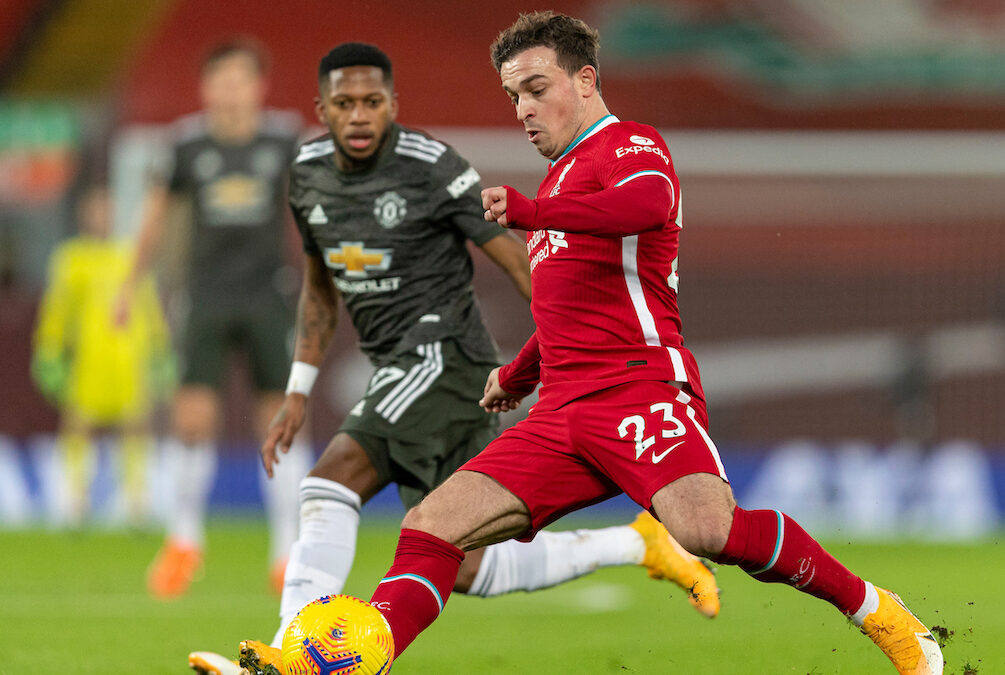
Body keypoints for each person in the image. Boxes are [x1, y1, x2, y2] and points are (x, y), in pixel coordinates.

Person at [357, 12, 945, 675]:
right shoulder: (558, 180)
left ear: (585, 79)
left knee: (705, 530)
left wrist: (533, 212)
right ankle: (356, 658)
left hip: (636, 388)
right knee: (431, 527)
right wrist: (519, 375)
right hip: (560, 413)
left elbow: (647, 205)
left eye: (536, 87)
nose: (524, 108)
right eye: (513, 95)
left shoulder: (628, 146)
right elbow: (572, 312)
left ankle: (874, 608)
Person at [187, 42, 720, 675]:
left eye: (372, 102)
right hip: (396, 364)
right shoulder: (305, 173)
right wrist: (300, 386)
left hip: (448, 356)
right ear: (320, 110)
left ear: (392, 104)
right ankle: (636, 545)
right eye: (344, 104)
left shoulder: (432, 165)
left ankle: (289, 655)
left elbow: (529, 258)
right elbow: (319, 283)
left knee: (330, 480)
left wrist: (564, 348)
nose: (359, 116)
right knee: (464, 562)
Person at [118, 39, 313, 598]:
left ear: (259, 85)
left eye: (240, 78)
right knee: (191, 419)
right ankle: (183, 541)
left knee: (276, 422)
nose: (230, 89)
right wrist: (129, 287)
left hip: (265, 295)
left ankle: (285, 551)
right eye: (220, 79)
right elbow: (154, 218)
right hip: (204, 296)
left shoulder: (282, 140)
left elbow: (309, 212)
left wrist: (326, 270)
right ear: (207, 87)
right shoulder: (186, 145)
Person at [32, 184, 174, 527]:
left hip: (128, 357)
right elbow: (57, 310)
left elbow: (149, 306)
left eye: (107, 209)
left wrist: (159, 350)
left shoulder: (130, 254)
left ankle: (137, 501)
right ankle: (74, 500)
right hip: (88, 359)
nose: (102, 216)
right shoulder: (70, 258)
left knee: (135, 427)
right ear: (85, 214)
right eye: (96, 209)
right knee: (79, 425)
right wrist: (49, 352)